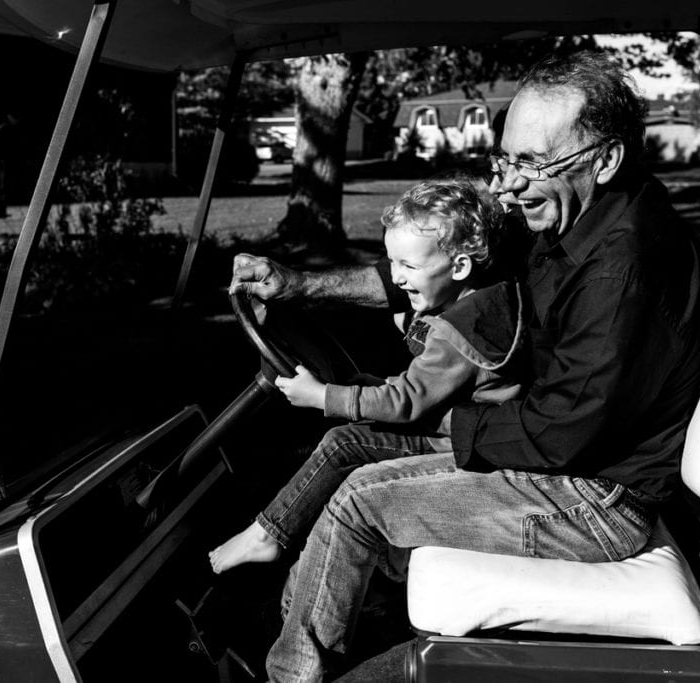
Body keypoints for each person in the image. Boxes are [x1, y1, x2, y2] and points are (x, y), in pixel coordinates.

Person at [230, 50, 700, 683]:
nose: (509, 184)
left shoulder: (623, 269)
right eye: (505, 158)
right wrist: (298, 285)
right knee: (358, 445)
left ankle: (291, 675)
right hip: (561, 460)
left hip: (596, 501)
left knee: (359, 502)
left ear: (607, 158)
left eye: (532, 163)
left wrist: (432, 416)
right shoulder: (564, 214)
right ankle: (297, 619)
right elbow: (437, 267)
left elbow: (561, 432)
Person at [209, 179, 525, 574]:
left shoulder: (454, 331)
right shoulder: (480, 300)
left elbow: (406, 402)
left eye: (409, 266)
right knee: (359, 404)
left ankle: (268, 534)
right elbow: (428, 387)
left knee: (343, 442)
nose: (396, 278)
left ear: (460, 266)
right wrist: (363, 384)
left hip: (463, 443)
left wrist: (326, 396)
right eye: (392, 262)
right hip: (462, 424)